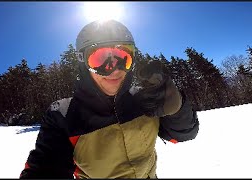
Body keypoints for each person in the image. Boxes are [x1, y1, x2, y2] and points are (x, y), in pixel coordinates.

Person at [19, 19, 199, 179]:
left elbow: (184, 134)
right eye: (100, 59)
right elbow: (45, 168)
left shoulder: (143, 98)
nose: (114, 69)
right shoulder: (64, 116)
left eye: (123, 58)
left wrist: (178, 107)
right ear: (83, 62)